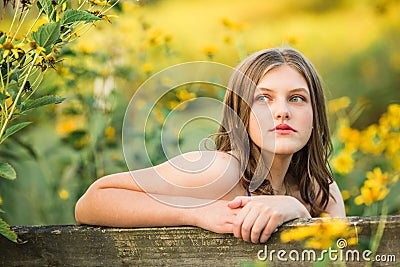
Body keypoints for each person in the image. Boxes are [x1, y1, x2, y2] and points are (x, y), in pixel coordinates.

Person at [75, 47, 345, 244]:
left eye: (297, 99)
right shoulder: (223, 171)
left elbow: (341, 256)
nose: (282, 112)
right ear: (241, 115)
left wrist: (295, 209)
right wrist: (199, 212)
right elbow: (93, 200)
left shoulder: (320, 190)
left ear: (315, 114)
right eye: (263, 99)